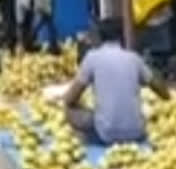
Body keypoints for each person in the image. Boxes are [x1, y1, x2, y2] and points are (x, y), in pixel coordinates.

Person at [62, 17, 169, 145]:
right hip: (137, 132)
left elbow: (69, 98)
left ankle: (86, 141)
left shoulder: (92, 57)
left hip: (106, 134)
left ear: (99, 38)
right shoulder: (134, 58)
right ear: (121, 38)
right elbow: (163, 93)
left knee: (69, 109)